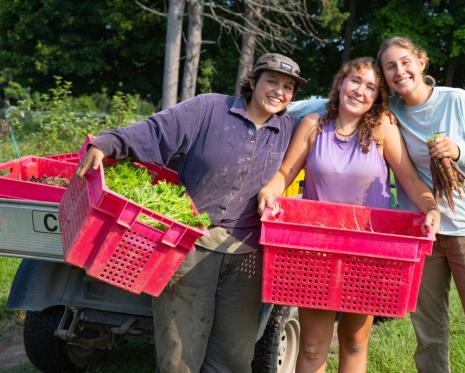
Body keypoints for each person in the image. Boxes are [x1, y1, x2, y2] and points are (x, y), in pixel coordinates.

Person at [75, 53, 307, 373]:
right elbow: (156, 130)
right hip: (190, 245)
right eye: (272, 81)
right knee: (178, 355)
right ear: (253, 81)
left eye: (288, 87)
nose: (279, 91)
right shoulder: (209, 109)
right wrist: (108, 142)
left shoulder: (290, 130)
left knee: (234, 358)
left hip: (247, 254)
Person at [258, 57, 440, 373]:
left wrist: (430, 207)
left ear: (377, 96)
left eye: (370, 86)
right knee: (313, 346)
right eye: (355, 80)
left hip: (367, 251)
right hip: (315, 249)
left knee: (354, 342)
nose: (359, 91)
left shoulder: (382, 128)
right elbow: (285, 172)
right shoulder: (313, 124)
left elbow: (409, 178)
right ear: (341, 82)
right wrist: (268, 192)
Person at [376, 36, 465, 372]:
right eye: (390, 66)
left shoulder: (458, 101)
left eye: (406, 61)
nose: (400, 71)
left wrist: (459, 151)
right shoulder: (389, 111)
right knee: (429, 336)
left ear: (421, 62)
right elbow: (336, 102)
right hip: (421, 233)